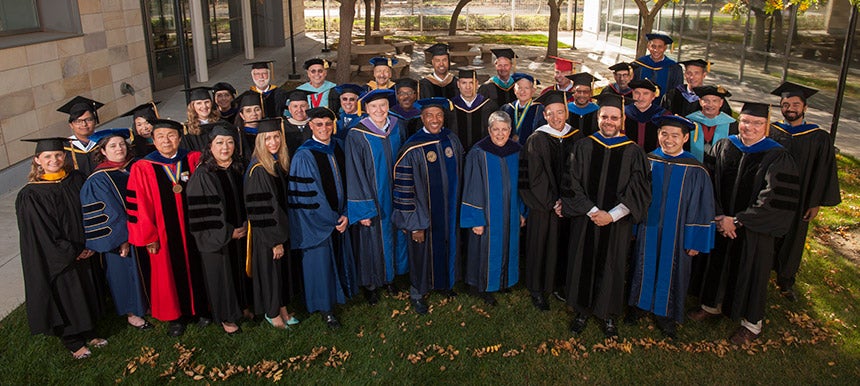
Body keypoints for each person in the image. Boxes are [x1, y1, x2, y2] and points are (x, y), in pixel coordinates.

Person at [687, 101, 799, 345]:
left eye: (757, 123)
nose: (749, 127)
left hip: (753, 230)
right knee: (717, 263)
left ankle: (751, 323)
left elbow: (773, 199)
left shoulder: (777, 156)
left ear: (766, 126)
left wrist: (737, 220)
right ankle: (711, 305)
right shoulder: (725, 145)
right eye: (746, 121)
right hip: (720, 223)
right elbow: (708, 182)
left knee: (752, 272)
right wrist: (718, 215)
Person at [560, 93, 651, 339]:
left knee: (613, 264)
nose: (609, 121)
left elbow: (639, 190)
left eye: (614, 117)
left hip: (616, 223)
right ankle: (582, 309)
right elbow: (571, 183)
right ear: (598, 118)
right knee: (583, 261)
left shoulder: (634, 152)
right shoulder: (583, 146)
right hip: (586, 218)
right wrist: (592, 211)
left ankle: (609, 315)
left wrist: (611, 216)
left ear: (622, 120)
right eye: (604, 117)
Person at [17, 137, 106, 359]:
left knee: (87, 288)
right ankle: (73, 340)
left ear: (65, 156)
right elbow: (41, 233)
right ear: (37, 160)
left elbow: (91, 209)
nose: (53, 160)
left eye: (58, 155)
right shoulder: (31, 195)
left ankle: (90, 330)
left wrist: (91, 242)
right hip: (59, 257)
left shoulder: (75, 179)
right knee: (67, 294)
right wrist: (73, 251)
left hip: (87, 248)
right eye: (47, 156)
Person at [628, 115, 716, 339]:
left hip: (677, 234)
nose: (668, 140)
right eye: (664, 134)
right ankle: (639, 304)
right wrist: (633, 228)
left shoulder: (696, 170)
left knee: (673, 269)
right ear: (657, 135)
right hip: (648, 228)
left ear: (685, 138)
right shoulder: (647, 161)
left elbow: (703, 208)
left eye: (675, 135)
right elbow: (635, 199)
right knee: (642, 263)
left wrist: (695, 240)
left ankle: (666, 314)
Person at [126, 119, 208, 337]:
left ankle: (201, 309)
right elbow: (139, 205)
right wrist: (149, 236)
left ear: (180, 138)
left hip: (195, 230)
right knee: (167, 274)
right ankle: (175, 318)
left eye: (171, 135)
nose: (166, 140)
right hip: (162, 235)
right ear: (153, 140)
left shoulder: (193, 159)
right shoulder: (142, 167)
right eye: (160, 136)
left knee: (200, 267)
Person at [769, 81, 841, 301]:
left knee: (794, 238)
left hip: (800, 200)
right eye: (785, 103)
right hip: (771, 197)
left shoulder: (818, 137)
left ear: (805, 107)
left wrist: (815, 202)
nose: (790, 108)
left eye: (795, 104)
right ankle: (763, 272)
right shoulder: (772, 131)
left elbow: (823, 172)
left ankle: (786, 280)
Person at [392, 97, 464, 314]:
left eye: (439, 115)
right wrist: (414, 224)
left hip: (449, 213)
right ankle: (417, 292)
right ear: (421, 117)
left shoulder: (451, 140)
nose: (435, 120)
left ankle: (443, 284)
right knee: (421, 254)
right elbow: (404, 189)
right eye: (430, 115)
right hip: (423, 218)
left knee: (447, 246)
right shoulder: (412, 148)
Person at [287, 107, 357, 329]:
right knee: (320, 264)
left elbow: (351, 181)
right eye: (319, 124)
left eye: (328, 123)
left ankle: (343, 293)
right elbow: (308, 196)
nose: (325, 128)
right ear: (311, 126)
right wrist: (333, 219)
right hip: (317, 222)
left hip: (340, 217)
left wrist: (346, 213)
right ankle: (325, 309)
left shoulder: (339, 146)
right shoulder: (303, 155)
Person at [80, 128, 151, 332]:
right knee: (125, 273)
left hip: (145, 231)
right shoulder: (98, 179)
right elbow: (108, 213)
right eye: (112, 146)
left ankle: (149, 304)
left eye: (121, 144)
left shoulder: (137, 166)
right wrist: (123, 238)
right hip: (121, 238)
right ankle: (132, 312)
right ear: (102, 151)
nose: (119, 149)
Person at [519, 90, 583, 311]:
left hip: (568, 207)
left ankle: (558, 284)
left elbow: (579, 173)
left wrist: (567, 201)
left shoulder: (576, 136)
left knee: (564, 245)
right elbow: (532, 178)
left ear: (566, 112)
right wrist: (553, 202)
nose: (556, 118)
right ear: (544, 115)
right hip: (543, 206)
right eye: (551, 113)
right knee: (541, 245)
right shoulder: (536, 139)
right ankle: (537, 289)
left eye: (560, 112)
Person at [345, 88, 409, 304]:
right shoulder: (357, 134)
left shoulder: (397, 126)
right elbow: (353, 172)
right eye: (374, 106)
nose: (379, 110)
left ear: (388, 106)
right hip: (373, 198)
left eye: (382, 105)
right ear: (366, 109)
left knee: (395, 234)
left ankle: (391, 278)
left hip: (396, 194)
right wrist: (363, 209)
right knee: (371, 238)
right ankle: (371, 284)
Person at [186, 123, 249, 335]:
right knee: (221, 275)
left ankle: (242, 306)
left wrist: (247, 223)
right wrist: (228, 231)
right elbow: (203, 214)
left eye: (230, 142)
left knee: (239, 269)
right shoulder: (203, 174)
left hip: (242, 231)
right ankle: (226, 317)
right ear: (210, 146)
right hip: (218, 238)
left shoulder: (238, 168)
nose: (225, 147)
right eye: (220, 142)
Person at [460, 111, 525, 306]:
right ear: (489, 130)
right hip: (487, 215)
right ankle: (482, 286)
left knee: (508, 245)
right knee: (485, 249)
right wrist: (476, 219)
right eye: (496, 129)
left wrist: (522, 211)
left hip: (511, 212)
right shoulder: (478, 152)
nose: (500, 134)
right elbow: (471, 187)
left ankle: (503, 280)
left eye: (504, 129)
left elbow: (522, 185)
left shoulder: (517, 150)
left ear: (510, 130)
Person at [244, 118, 300, 329]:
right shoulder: (259, 170)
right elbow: (262, 210)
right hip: (268, 235)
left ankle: (282, 307)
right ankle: (272, 312)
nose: (273, 141)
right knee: (271, 274)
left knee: (280, 273)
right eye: (267, 138)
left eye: (276, 136)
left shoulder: (275, 164)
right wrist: (275, 241)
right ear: (260, 141)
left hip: (279, 231)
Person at [661, 59, 732, 117]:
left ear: (704, 75)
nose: (692, 77)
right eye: (689, 73)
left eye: (696, 73)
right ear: (685, 74)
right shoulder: (672, 95)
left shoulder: (714, 97)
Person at [685, 85, 738, 163]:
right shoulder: (689, 121)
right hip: (693, 168)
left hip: (720, 170)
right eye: (706, 101)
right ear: (700, 102)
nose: (710, 104)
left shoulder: (732, 124)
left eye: (714, 101)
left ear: (721, 103)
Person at [449, 69, 498, 150]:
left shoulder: (488, 105)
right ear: (458, 84)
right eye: (464, 83)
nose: (468, 87)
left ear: (477, 84)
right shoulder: (451, 106)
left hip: (482, 154)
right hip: (457, 154)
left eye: (471, 82)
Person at [57, 96, 104, 175]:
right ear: (71, 125)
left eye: (88, 120)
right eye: (78, 121)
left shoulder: (105, 141)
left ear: (95, 121)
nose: (84, 124)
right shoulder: (64, 147)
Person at [633, 33, 683, 103]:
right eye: (653, 46)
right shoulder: (638, 65)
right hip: (639, 105)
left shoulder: (674, 68)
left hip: (663, 109)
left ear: (665, 48)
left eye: (660, 47)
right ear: (648, 46)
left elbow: (677, 92)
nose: (656, 50)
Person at [625, 78, 669, 152]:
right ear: (632, 93)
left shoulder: (663, 115)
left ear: (653, 96)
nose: (640, 98)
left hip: (654, 160)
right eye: (637, 93)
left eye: (646, 93)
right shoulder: (623, 113)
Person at [500, 73, 545, 145]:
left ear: (533, 90)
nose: (522, 91)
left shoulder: (539, 110)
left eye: (526, 88)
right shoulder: (506, 108)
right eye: (519, 88)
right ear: (514, 90)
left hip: (531, 152)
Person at [181, 86, 221, 151]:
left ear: (211, 103)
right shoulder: (187, 130)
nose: (204, 106)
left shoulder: (220, 123)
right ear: (193, 106)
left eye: (207, 102)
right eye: (199, 103)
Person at [235, 91, 265, 159]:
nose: (254, 114)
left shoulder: (267, 134)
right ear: (242, 115)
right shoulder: (238, 136)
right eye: (248, 111)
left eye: (257, 109)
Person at [283, 89, 313, 155]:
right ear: (289, 109)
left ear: (308, 107)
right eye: (295, 106)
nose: (299, 110)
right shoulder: (283, 126)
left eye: (302, 106)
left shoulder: (314, 125)